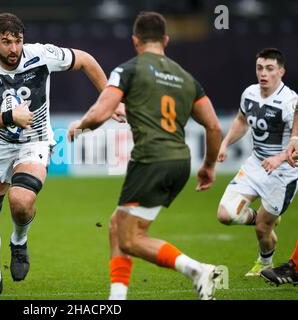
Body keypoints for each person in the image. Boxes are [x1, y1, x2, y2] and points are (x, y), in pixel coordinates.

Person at [0, 12, 123, 297]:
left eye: (18, 41)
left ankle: (19, 241)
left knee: (21, 199)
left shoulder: (40, 55)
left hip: (35, 141)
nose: (14, 49)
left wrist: (109, 101)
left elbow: (85, 59)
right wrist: (10, 116)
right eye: (6, 42)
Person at [68, 11, 223, 300]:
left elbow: (101, 112)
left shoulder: (129, 69)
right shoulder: (186, 77)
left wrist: (81, 126)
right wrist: (209, 166)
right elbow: (213, 126)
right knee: (118, 224)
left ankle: (198, 270)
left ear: (134, 40)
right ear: (165, 40)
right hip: (181, 162)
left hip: (151, 160)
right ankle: (117, 297)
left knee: (130, 240)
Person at [216, 48, 298, 277]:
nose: (263, 73)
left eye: (270, 68)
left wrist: (280, 157)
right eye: (260, 68)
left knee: (263, 229)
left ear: (281, 71)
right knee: (225, 215)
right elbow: (242, 120)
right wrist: (225, 143)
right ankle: (263, 217)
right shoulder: (250, 93)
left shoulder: (290, 102)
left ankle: (264, 262)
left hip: (283, 173)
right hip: (255, 165)